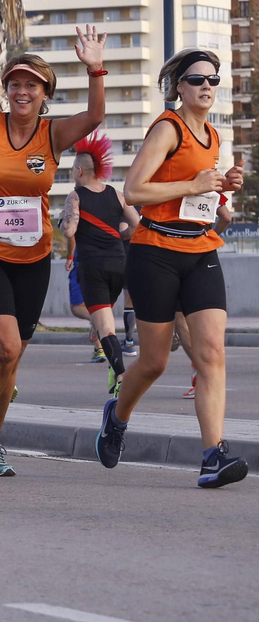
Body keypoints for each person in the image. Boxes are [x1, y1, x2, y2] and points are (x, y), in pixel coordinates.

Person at [0, 10, 106, 477]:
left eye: (31, 85)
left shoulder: (52, 135)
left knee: (13, 358)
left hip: (33, 257)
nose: (21, 91)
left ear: (44, 95)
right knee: (7, 348)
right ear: (6, 90)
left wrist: (95, 67)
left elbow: (95, 115)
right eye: (15, 83)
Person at [97, 49, 247, 488]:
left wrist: (223, 188)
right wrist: (196, 182)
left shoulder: (214, 136)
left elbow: (199, 196)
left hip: (200, 249)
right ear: (178, 87)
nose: (206, 87)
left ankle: (212, 456)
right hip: (155, 253)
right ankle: (117, 418)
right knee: (155, 361)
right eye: (197, 79)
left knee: (212, 354)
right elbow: (133, 190)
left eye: (213, 81)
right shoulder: (168, 128)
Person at [61, 132, 138, 395]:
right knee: (105, 320)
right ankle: (113, 366)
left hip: (92, 267)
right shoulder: (117, 194)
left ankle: (120, 376)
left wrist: (64, 219)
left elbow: (70, 230)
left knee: (106, 326)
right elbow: (137, 226)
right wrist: (119, 235)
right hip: (120, 263)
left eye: (72, 169)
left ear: (80, 170)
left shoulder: (76, 196)